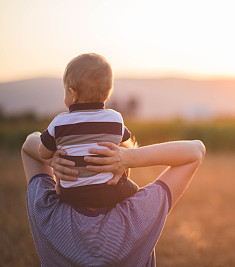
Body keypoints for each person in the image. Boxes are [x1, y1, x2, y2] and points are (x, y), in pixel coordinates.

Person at [22, 132, 205, 266]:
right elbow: (196, 150)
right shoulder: (138, 215)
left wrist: (54, 158)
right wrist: (129, 157)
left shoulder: (48, 213)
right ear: (125, 170)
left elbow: (29, 144)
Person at [38, 53, 138, 208]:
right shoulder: (115, 119)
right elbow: (128, 149)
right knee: (135, 191)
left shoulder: (59, 123)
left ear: (73, 94)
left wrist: (55, 156)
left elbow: (42, 152)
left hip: (70, 194)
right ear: (108, 93)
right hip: (109, 191)